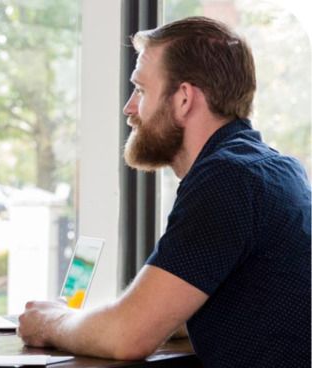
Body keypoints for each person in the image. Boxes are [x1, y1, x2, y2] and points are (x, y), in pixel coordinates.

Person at [17, 16, 310, 367]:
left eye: (140, 90)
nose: (129, 108)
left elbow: (129, 337)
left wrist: (51, 321)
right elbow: (221, 308)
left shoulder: (227, 179)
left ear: (184, 99)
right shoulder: (275, 170)